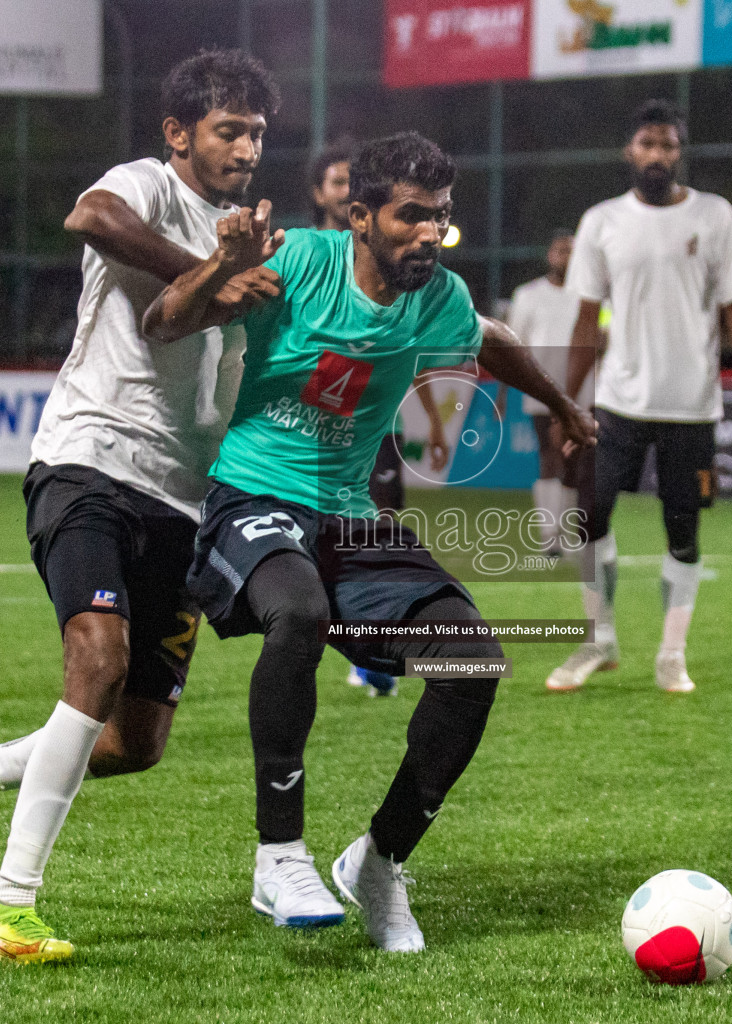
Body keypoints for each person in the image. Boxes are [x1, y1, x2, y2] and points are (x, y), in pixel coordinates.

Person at [144, 131, 595, 952]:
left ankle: (380, 862)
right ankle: (279, 856)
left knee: (472, 663)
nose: (430, 234)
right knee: (299, 612)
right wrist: (217, 267)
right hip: (250, 492)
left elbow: (490, 336)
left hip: (346, 514)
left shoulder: (439, 298)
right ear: (360, 216)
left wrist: (563, 408)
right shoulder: (300, 264)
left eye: (442, 219)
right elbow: (164, 320)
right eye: (412, 217)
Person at [0, 50, 282, 963]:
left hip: (183, 501)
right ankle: (10, 907)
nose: (244, 148)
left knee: (137, 742)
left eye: (257, 134)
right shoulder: (143, 184)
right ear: (179, 132)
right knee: (98, 659)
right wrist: (212, 265)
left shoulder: (258, 238)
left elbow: (221, 348)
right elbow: (90, 216)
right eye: (228, 130)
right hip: (90, 463)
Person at [548, 99, 732, 695]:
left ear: (679, 152)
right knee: (589, 516)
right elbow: (583, 322)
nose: (657, 155)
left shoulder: (715, 215)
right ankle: (597, 641)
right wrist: (565, 403)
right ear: (630, 150)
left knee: (684, 533)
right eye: (647, 144)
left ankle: (671, 656)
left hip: (691, 406)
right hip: (618, 403)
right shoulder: (601, 221)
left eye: (667, 145)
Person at [309, 137, 450, 695]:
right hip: (309, 430)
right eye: (337, 182)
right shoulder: (300, 257)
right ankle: (314, 633)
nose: (345, 190)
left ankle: (371, 645)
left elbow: (414, 349)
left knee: (378, 529)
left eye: (352, 180)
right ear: (323, 194)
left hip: (379, 427)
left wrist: (432, 423)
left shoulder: (398, 263)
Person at [504, 230, 584, 555]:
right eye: (559, 249)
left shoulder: (590, 296)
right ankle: (549, 534)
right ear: (549, 254)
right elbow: (512, 344)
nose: (565, 255)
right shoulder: (528, 295)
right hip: (541, 392)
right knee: (549, 456)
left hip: (582, 394)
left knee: (576, 461)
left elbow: (605, 335)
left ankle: (569, 533)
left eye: (571, 250)